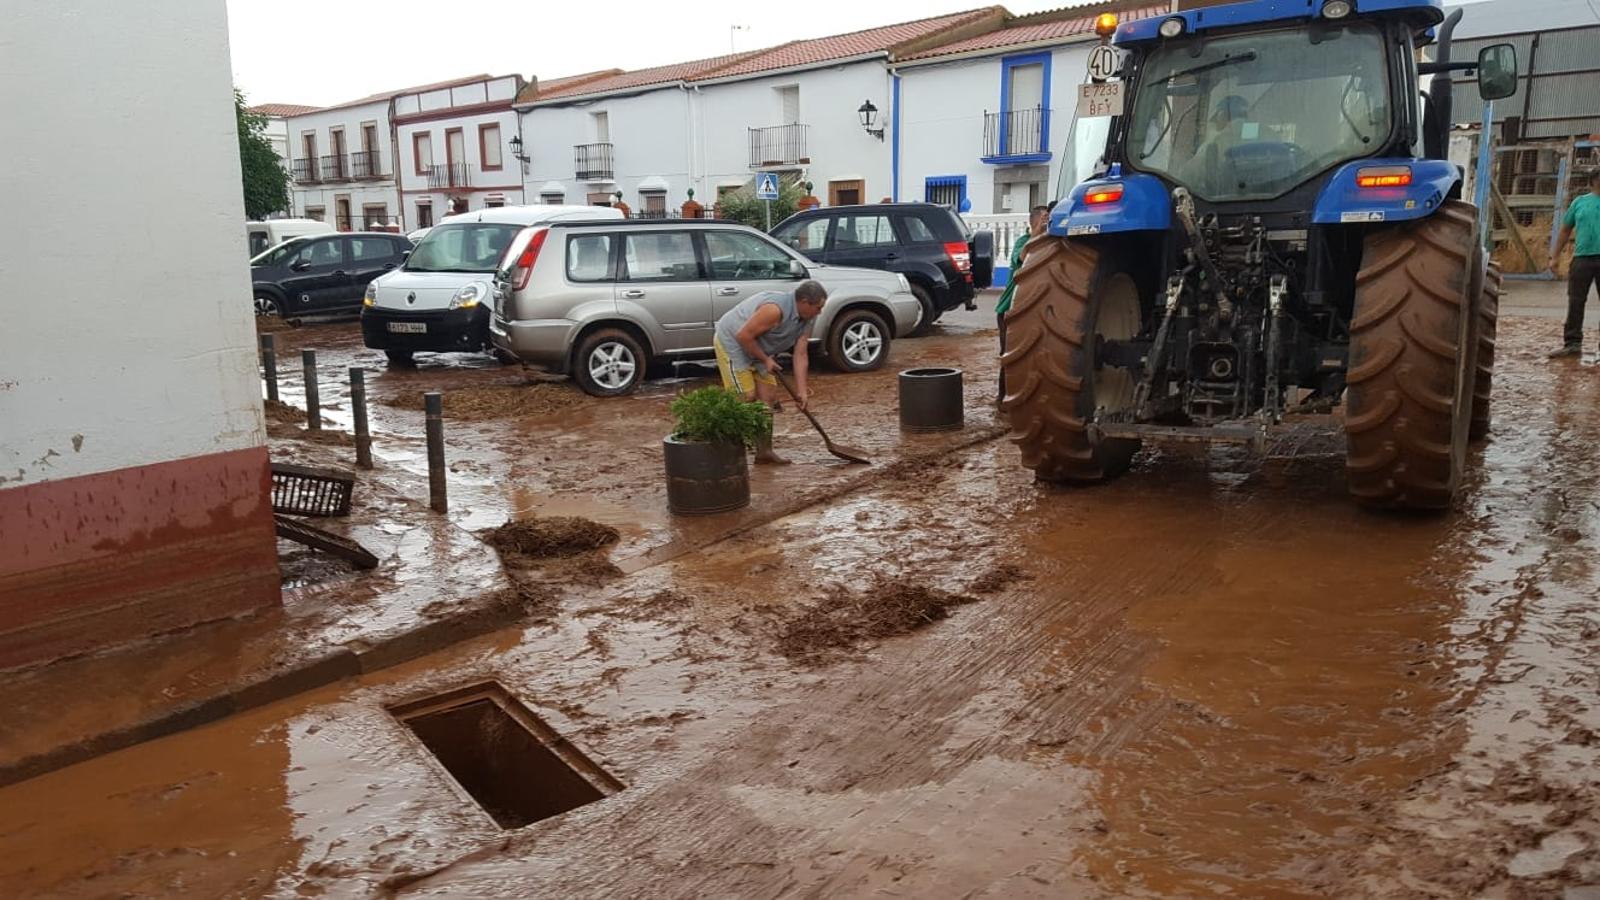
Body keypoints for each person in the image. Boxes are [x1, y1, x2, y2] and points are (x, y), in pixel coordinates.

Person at [713, 280, 828, 464]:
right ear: (805, 302)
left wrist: (802, 391)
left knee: (768, 397)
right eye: (818, 307)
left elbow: (800, 352)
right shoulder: (774, 309)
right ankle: (728, 450)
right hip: (733, 342)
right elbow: (743, 336)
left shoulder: (808, 317)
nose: (820, 311)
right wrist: (766, 359)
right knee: (745, 396)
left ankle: (764, 452)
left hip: (760, 348)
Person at [995, 204, 1052, 404]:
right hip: (1008, 310)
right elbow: (1021, 257)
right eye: (1044, 216)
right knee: (1009, 355)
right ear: (1034, 220)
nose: (1047, 219)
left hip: (1032, 313)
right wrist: (1038, 232)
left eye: (1049, 216)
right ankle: (1003, 398)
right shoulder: (1023, 242)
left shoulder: (1049, 245)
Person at [1549, 169, 1600, 358]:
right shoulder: (1580, 203)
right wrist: (1554, 256)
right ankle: (1572, 344)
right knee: (1576, 302)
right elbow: (1564, 230)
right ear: (1594, 180)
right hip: (1582, 259)